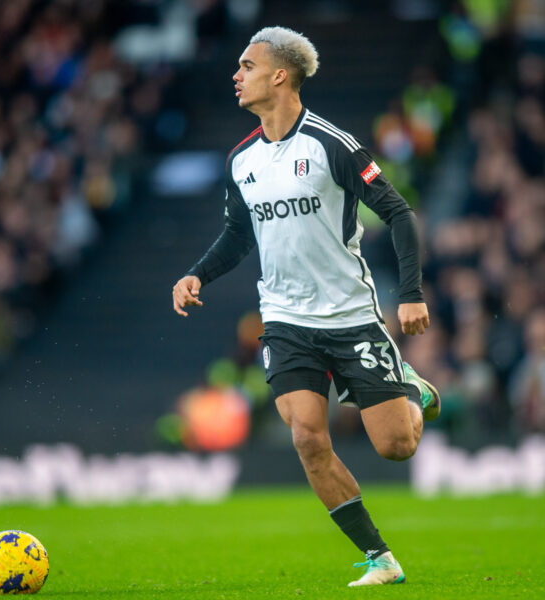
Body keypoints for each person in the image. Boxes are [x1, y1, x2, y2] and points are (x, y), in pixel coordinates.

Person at [172, 26, 440, 587]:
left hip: (349, 317)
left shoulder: (331, 144)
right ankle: (380, 559)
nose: (236, 75)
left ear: (280, 75)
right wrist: (198, 273)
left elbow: (400, 214)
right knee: (307, 437)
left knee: (396, 446)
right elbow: (237, 235)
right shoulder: (242, 159)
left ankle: (412, 390)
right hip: (286, 320)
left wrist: (411, 294)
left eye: (247, 65)